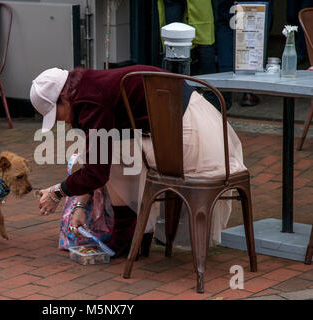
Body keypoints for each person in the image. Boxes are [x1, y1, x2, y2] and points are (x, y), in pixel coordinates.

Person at [30, 65, 247, 257]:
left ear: (63, 98)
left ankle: (127, 235)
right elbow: (93, 160)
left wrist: (57, 192)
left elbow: (96, 172)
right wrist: (79, 204)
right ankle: (137, 233)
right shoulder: (87, 85)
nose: (59, 120)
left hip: (187, 131)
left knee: (117, 154)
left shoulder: (89, 102)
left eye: (55, 113)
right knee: (117, 151)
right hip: (182, 120)